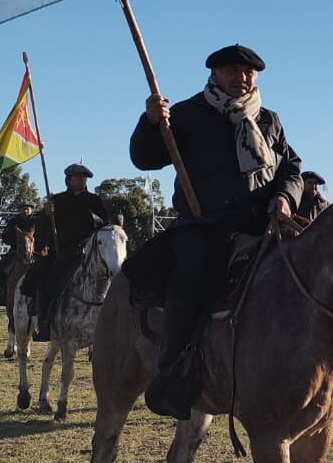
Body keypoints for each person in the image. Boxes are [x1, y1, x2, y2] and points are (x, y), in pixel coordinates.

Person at [129, 43, 303, 419]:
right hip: (204, 226)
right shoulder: (187, 114)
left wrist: (286, 199)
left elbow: (291, 168)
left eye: (248, 72)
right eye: (232, 71)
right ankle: (174, 372)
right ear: (215, 75)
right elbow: (145, 158)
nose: (241, 78)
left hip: (263, 225)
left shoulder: (269, 119)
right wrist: (150, 122)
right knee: (190, 280)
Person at [28, 164, 110, 339]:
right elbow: (42, 226)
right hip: (61, 250)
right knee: (42, 275)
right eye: (78, 176)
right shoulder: (57, 200)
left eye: (84, 176)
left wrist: (92, 218)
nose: (82, 179)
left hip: (87, 250)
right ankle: (44, 321)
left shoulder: (94, 200)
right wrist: (45, 213)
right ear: (69, 179)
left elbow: (105, 224)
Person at [0, 204, 38, 306]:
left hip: (35, 252)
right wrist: (17, 241)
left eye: (27, 209)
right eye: (23, 208)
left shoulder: (37, 221)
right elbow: (5, 237)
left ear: (31, 210)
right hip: (15, 252)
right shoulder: (13, 222)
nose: (25, 210)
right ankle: (3, 297)